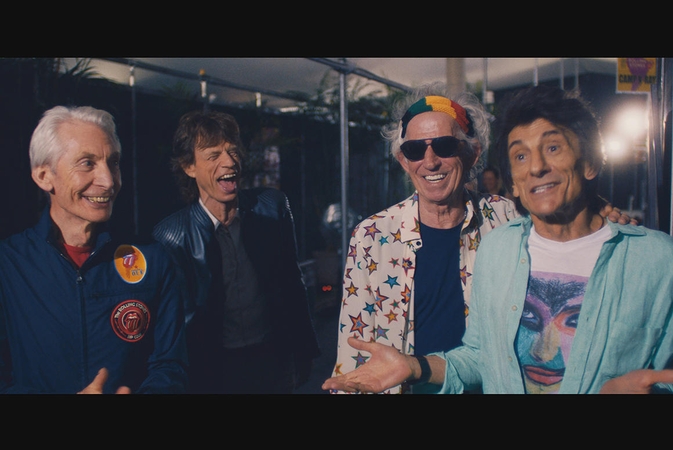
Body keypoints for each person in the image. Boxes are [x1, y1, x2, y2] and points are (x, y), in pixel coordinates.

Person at [322, 85, 673, 394]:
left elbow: (565, 215)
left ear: (472, 154)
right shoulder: (372, 236)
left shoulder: (504, 219)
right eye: (414, 150)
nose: (429, 161)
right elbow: (355, 352)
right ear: (403, 160)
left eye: (444, 145)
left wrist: (598, 207)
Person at [0, 105, 188, 394]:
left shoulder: (153, 260)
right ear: (44, 176)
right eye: (87, 163)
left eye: (113, 162)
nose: (109, 181)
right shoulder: (9, 266)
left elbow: (170, 367)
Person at [152, 110, 320, 394]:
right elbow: (176, 323)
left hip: (272, 357)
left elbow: (292, 282)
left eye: (232, 151)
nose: (229, 162)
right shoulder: (172, 237)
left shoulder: (272, 208)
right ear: (189, 167)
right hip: (214, 369)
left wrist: (304, 350)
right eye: (213, 155)